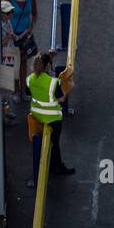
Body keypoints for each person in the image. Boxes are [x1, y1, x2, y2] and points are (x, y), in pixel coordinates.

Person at [26, 51, 75, 186]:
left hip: (37, 118)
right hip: (52, 119)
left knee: (43, 144)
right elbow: (61, 98)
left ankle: (51, 167)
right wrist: (68, 87)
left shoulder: (30, 79)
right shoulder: (53, 82)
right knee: (55, 143)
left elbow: (28, 92)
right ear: (47, 66)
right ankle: (57, 167)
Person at [2, 0, 38, 95]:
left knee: (23, 63)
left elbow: (35, 14)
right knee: (14, 65)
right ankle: (16, 91)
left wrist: (30, 29)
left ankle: (22, 89)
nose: (21, 2)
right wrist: (7, 32)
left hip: (25, 35)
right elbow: (0, 15)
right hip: (12, 36)